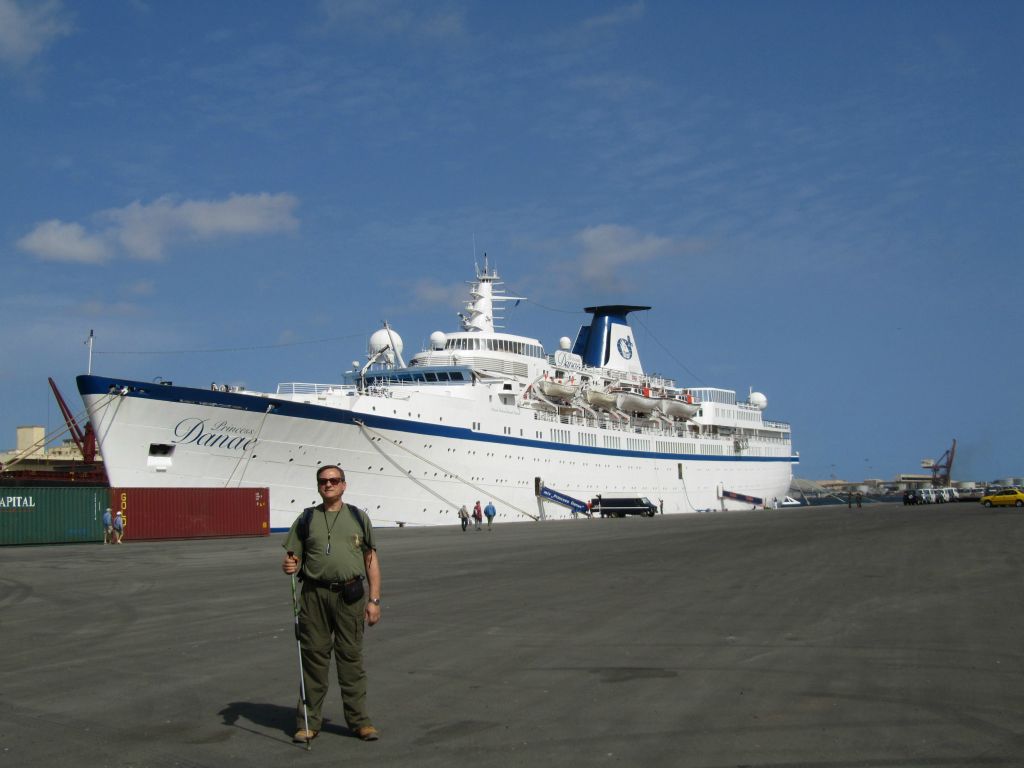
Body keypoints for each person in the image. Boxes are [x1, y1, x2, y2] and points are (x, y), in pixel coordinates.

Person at [281, 466, 381, 744]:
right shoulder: (307, 518)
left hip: (350, 595)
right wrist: (290, 564)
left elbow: (370, 561)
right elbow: (293, 557)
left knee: (351, 659)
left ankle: (360, 721)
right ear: (318, 486)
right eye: (324, 481)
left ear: (344, 485)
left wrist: (374, 600)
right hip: (314, 595)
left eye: (334, 480)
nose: (329, 485)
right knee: (313, 658)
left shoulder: (359, 518)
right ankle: (308, 723)